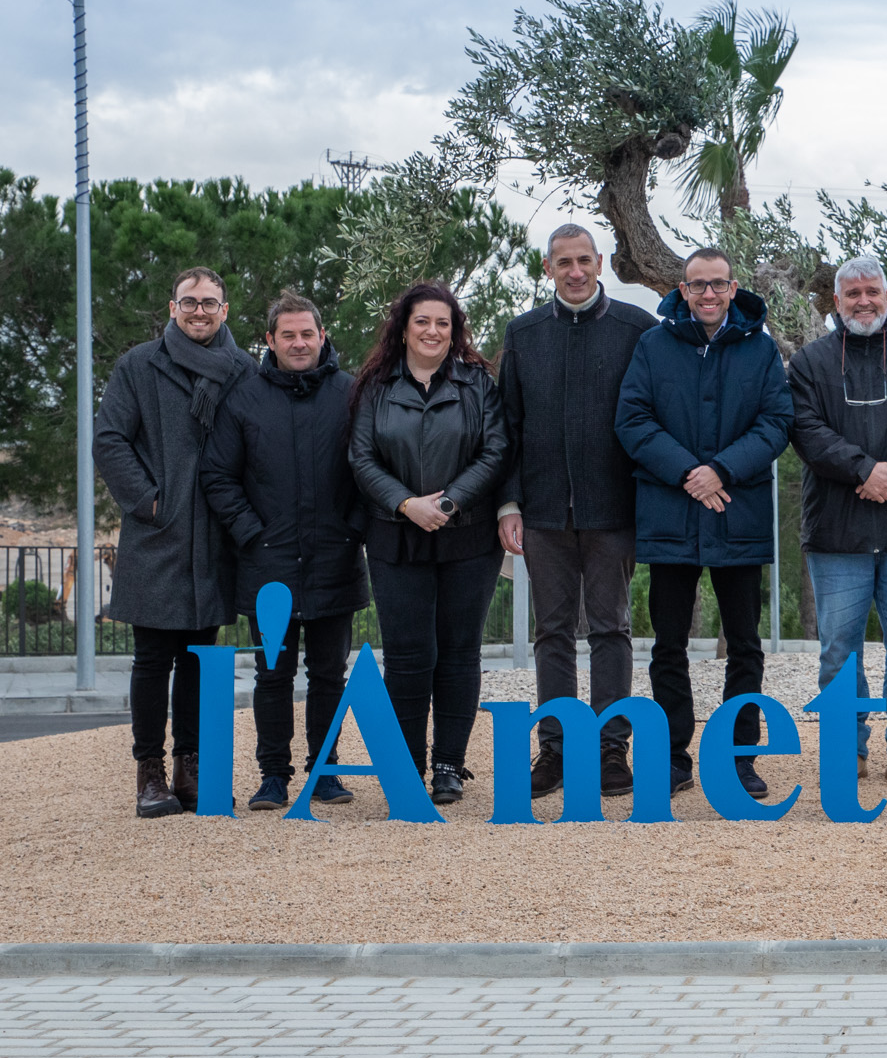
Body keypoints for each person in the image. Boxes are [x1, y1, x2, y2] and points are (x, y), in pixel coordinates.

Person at [615, 246, 792, 800]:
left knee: (744, 645)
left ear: (734, 288)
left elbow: (776, 423)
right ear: (683, 290)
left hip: (737, 515)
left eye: (718, 284)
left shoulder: (761, 351)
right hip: (671, 514)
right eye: (698, 285)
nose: (709, 294)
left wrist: (721, 470)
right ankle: (672, 758)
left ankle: (739, 760)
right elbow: (633, 419)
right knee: (669, 644)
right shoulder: (653, 345)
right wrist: (690, 472)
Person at [496, 224, 657, 799]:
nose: (575, 271)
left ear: (602, 262)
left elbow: (652, 419)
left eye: (584, 260)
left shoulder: (638, 330)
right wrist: (508, 503)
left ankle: (612, 752)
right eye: (563, 262)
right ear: (547, 268)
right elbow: (506, 428)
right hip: (541, 512)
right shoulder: (523, 333)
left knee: (612, 629)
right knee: (552, 633)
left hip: (615, 510)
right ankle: (557, 751)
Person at [198, 291, 368, 811]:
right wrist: (253, 534)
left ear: (323, 336)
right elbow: (218, 476)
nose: (299, 343)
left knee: (329, 675)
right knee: (272, 675)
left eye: (307, 334)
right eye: (288, 335)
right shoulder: (244, 398)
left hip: (334, 562)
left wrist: (351, 530)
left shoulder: (352, 394)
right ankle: (273, 777)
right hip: (268, 568)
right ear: (269, 340)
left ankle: (326, 773)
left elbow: (372, 469)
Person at [95, 265, 254, 818]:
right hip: (158, 536)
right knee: (152, 659)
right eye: (190, 302)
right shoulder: (139, 366)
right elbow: (110, 440)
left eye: (210, 303)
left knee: (197, 658)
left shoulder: (243, 371)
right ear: (172, 308)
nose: (200, 311)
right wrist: (151, 502)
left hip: (213, 536)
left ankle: (190, 769)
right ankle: (150, 773)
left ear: (225, 310)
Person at [348, 282, 511, 805]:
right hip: (395, 536)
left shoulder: (477, 384)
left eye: (443, 323)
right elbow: (361, 458)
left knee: (459, 652)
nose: (433, 332)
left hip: (468, 536)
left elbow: (495, 450)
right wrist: (406, 503)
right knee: (408, 655)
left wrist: (447, 503)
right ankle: (407, 767)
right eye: (423, 321)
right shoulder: (374, 385)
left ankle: (448, 766)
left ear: (454, 329)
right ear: (404, 326)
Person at [787, 256, 887, 786]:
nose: (864, 302)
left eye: (872, 292)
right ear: (836, 301)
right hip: (837, 531)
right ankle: (844, 749)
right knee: (838, 650)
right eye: (852, 294)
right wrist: (863, 470)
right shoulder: (810, 363)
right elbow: (805, 431)